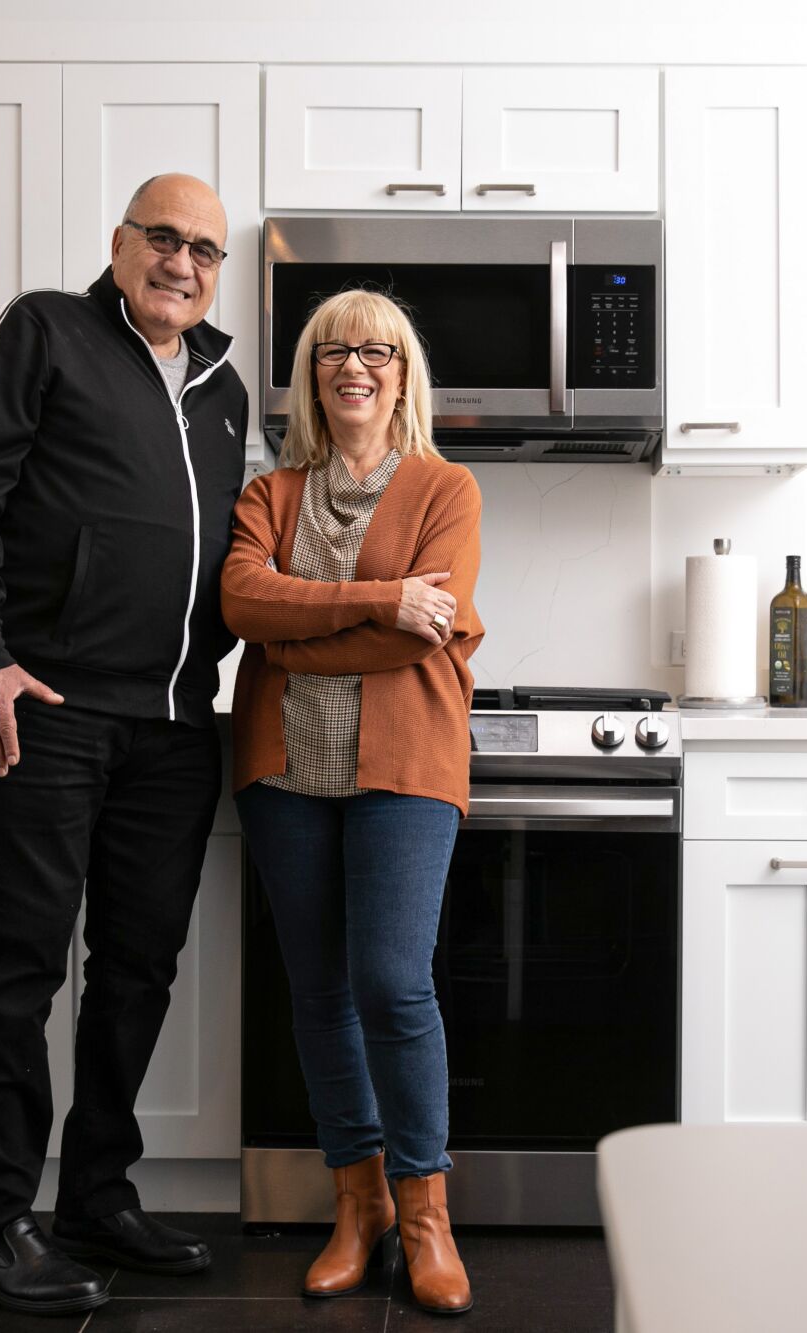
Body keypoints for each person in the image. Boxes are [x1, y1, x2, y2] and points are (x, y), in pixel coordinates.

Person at [0, 172, 245, 1317]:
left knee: (138, 969)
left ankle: (96, 1193)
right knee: (20, 967)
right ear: (118, 243)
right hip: (42, 708)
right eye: (164, 238)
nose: (183, 263)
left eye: (205, 249)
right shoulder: (41, 328)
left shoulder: (222, 382)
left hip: (172, 723)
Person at [223, 289, 482, 1317]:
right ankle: (357, 1202)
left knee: (390, 982)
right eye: (334, 350)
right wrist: (377, 598)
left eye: (377, 351)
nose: (354, 366)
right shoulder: (269, 494)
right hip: (285, 772)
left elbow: (428, 632)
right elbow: (241, 602)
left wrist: (292, 633)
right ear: (312, 373)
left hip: (403, 767)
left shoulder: (444, 488)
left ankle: (427, 1216)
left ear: (402, 373)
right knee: (318, 991)